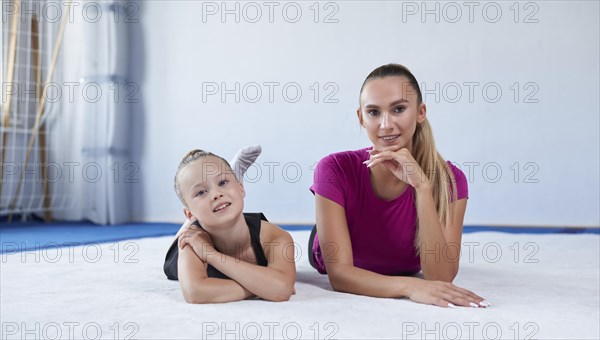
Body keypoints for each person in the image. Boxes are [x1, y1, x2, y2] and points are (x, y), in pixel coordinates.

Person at [308, 64, 490, 308]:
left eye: (399, 109)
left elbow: (441, 276)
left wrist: (422, 188)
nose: (386, 125)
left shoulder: (451, 180)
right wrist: (410, 286)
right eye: (373, 112)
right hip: (341, 234)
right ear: (361, 118)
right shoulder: (333, 168)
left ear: (420, 112)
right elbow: (340, 275)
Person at [164, 147, 296, 303]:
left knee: (213, 210)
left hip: (217, 223)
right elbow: (195, 293)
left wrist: (211, 255)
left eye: (222, 182)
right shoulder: (191, 241)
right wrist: (263, 286)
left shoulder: (275, 237)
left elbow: (281, 290)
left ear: (241, 188)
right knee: (183, 238)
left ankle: (219, 189)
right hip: (197, 230)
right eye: (201, 192)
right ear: (190, 214)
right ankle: (194, 215)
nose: (216, 194)